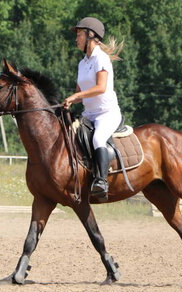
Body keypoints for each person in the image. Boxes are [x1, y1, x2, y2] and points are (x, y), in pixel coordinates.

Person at [62, 17, 123, 200]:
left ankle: (101, 181)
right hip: (89, 114)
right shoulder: (83, 63)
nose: (76, 39)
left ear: (90, 35)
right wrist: (69, 102)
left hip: (107, 113)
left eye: (79, 34)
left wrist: (76, 97)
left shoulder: (101, 58)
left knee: (98, 139)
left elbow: (100, 88)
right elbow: (80, 91)